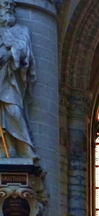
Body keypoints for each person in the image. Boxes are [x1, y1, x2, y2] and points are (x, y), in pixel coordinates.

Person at [0, 0, 36, 158]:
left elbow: (24, 50)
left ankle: (26, 147)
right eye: (4, 8)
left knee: (14, 111)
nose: (7, 11)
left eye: (10, 9)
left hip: (11, 80)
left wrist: (10, 54)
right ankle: (9, 148)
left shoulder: (22, 30)